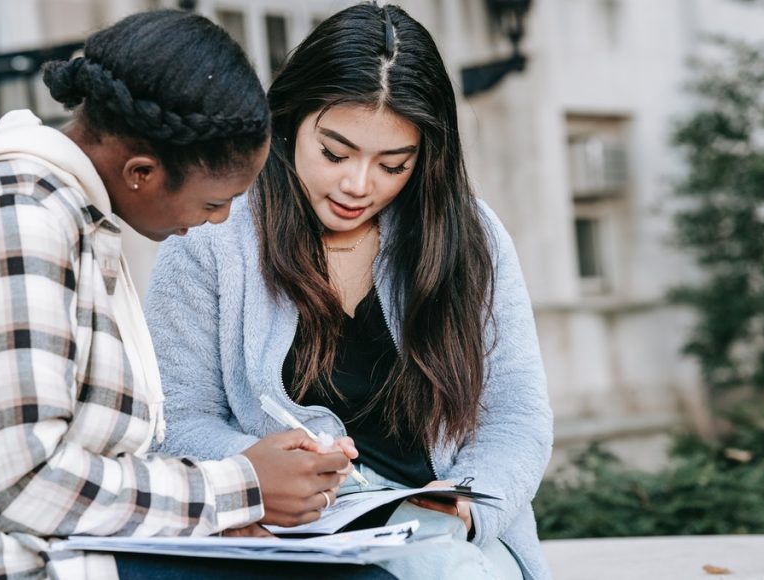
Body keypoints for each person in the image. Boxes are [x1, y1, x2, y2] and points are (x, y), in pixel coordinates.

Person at [0, 10, 394, 580]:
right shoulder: (12, 221)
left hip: (52, 553)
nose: (218, 222)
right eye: (215, 203)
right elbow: (23, 486)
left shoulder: (71, 219)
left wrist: (211, 518)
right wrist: (240, 488)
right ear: (141, 171)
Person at [145, 3, 554, 580]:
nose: (358, 186)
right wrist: (261, 470)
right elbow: (175, 421)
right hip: (299, 536)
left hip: (448, 527)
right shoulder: (212, 236)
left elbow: (517, 414)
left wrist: (465, 498)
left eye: (393, 165)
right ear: (289, 120)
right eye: (334, 153)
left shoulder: (471, 235)